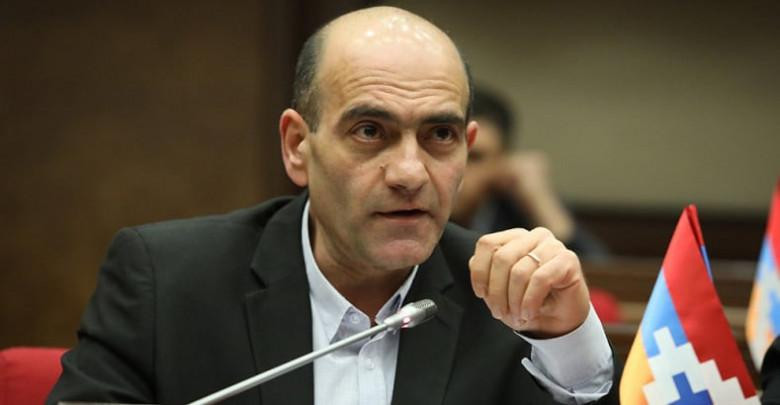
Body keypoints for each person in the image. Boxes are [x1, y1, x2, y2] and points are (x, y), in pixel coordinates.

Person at [47, 7, 619, 405]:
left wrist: (567, 343)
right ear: (298, 146)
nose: (410, 173)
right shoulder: (166, 280)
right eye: (370, 131)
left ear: (467, 149)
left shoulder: (507, 297)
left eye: (439, 135)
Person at [451, 86, 609, 260]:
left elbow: (596, 270)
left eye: (475, 157)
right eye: (448, 150)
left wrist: (541, 200)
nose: (458, 170)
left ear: (503, 162)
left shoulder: (515, 209)